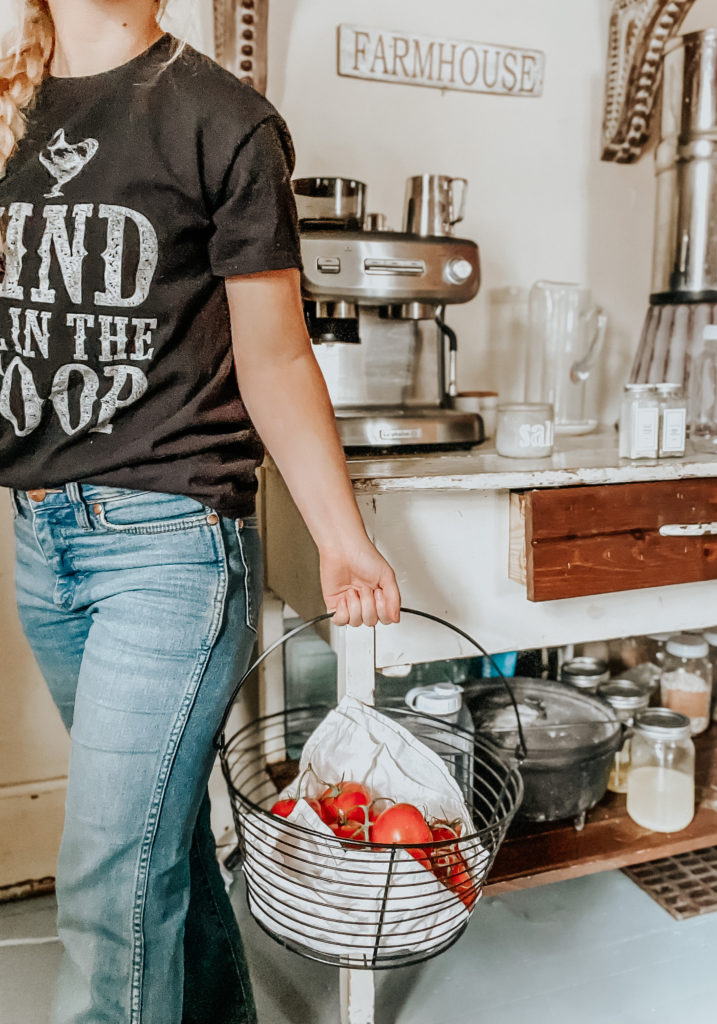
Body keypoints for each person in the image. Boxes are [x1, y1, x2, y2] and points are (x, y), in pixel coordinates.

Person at [0, 1, 401, 1022]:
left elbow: (271, 357)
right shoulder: (10, 111)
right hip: (43, 541)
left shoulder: (223, 121)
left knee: (105, 883)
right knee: (157, 842)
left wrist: (341, 539)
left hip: (171, 549)